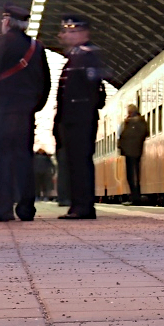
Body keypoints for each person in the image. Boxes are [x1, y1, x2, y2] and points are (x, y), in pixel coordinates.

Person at [0, 3, 51, 222]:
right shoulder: (36, 48)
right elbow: (45, 82)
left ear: (6, 21)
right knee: (23, 158)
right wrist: (33, 107)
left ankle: (1, 209)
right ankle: (26, 208)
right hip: (24, 114)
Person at [55, 14, 107, 220]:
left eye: (69, 31)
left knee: (80, 162)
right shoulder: (75, 57)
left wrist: (84, 112)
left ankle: (83, 206)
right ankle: (78, 205)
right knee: (74, 162)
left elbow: (95, 89)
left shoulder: (88, 56)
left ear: (83, 33)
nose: (63, 36)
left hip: (81, 118)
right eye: (64, 31)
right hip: (73, 118)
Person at [118, 104, 148, 205]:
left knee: (131, 176)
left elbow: (124, 135)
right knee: (135, 175)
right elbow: (145, 133)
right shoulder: (142, 122)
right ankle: (135, 197)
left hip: (130, 152)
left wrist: (122, 145)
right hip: (136, 151)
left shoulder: (130, 122)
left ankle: (135, 198)